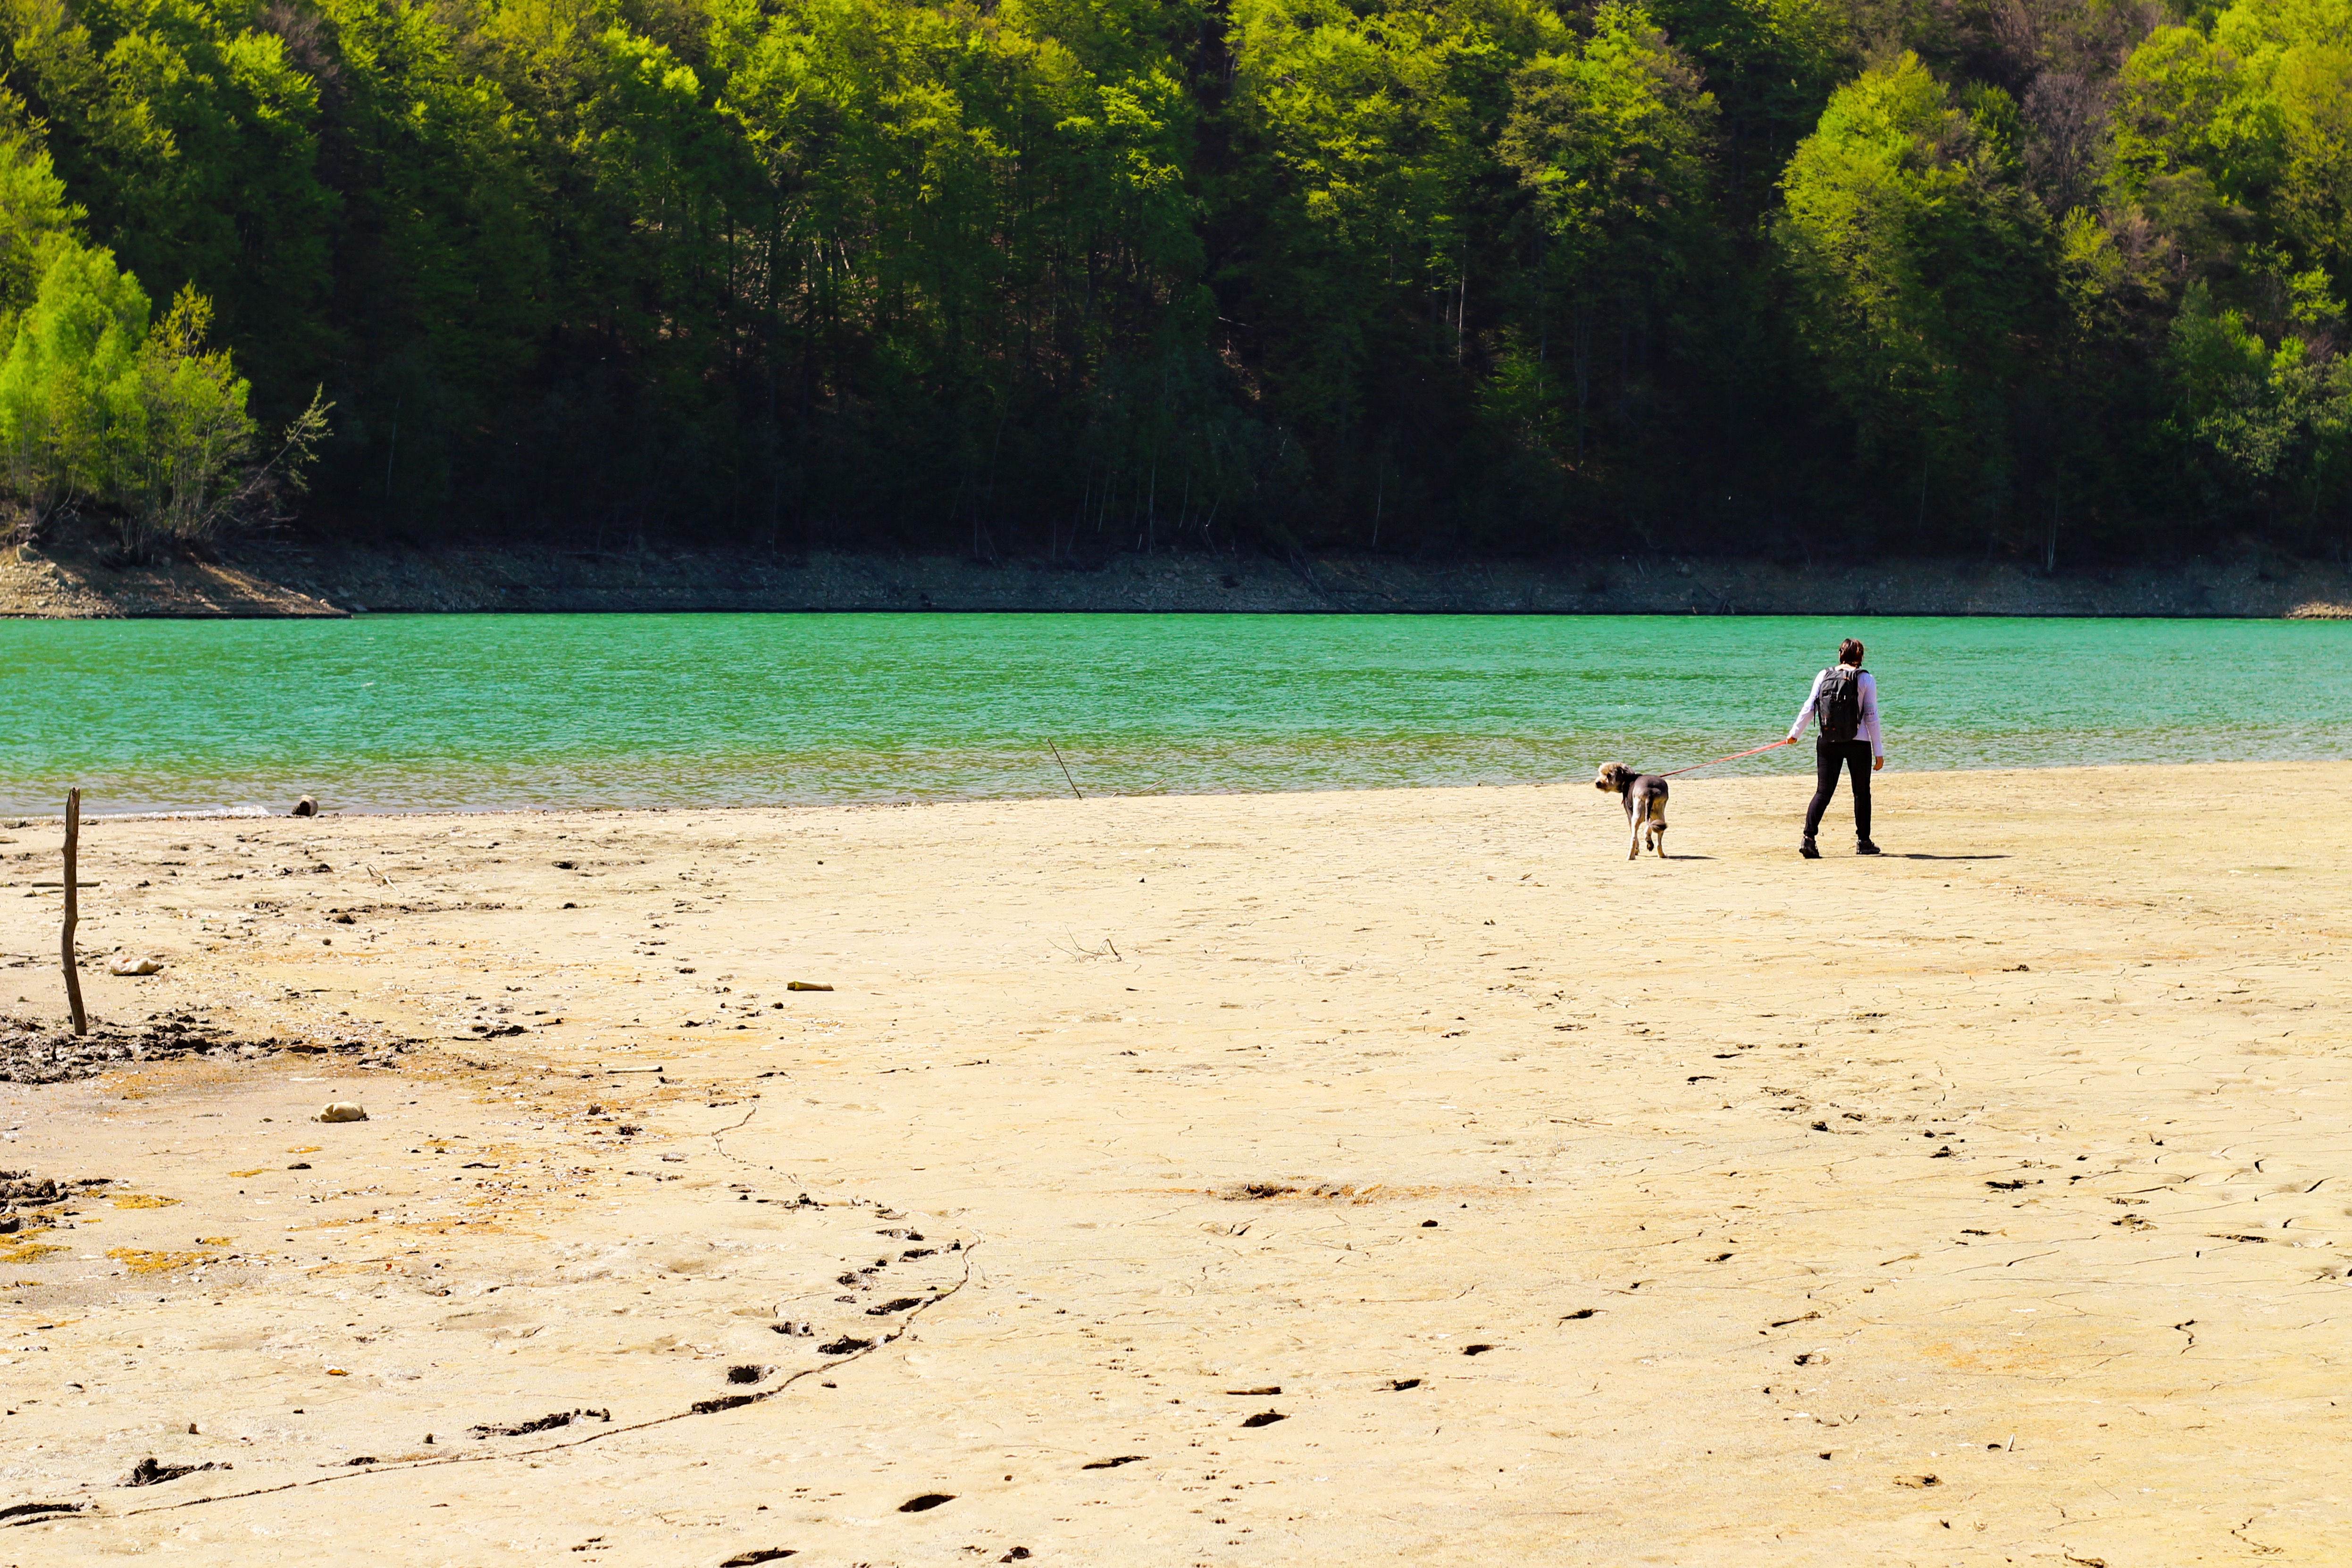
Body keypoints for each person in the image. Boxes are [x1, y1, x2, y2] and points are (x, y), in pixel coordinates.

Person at [1787, 637, 1883, 858]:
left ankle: (1809, 838)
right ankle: (1864, 842)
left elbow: (1810, 706)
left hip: (1828, 740)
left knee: (1824, 791)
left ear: (1840, 654)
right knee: (1861, 793)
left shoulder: (1824, 675)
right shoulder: (1866, 679)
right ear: (1860, 657)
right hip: (1858, 743)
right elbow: (1871, 717)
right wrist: (1879, 752)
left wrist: (1795, 734)